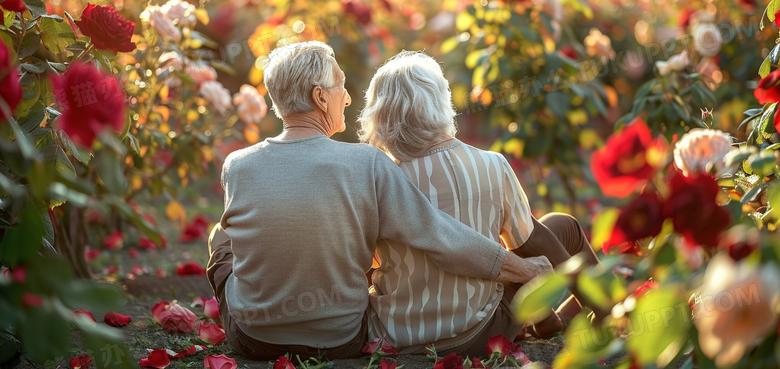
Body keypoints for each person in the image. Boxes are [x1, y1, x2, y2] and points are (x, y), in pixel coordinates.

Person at [206, 41, 553, 360]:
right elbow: (442, 237)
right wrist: (525, 270)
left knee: (220, 239)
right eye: (340, 85)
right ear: (320, 98)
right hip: (340, 340)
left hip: (255, 339)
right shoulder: (367, 162)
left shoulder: (237, 165)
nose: (346, 98)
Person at [357, 51, 601, 356]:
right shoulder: (491, 165)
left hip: (400, 334)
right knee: (563, 226)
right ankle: (605, 310)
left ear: (379, 114)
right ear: (441, 102)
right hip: (480, 331)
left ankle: (548, 320)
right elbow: (528, 243)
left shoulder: (378, 182)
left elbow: (363, 264)